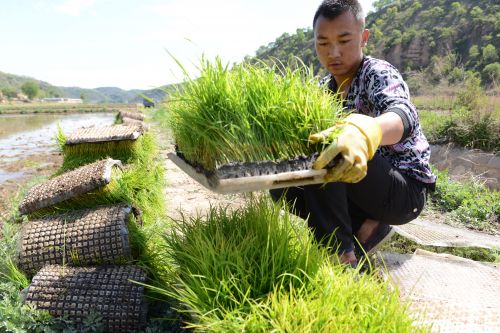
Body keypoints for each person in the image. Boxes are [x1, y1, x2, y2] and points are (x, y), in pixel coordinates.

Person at [270, 0, 436, 267]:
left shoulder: (377, 73)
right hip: (361, 186)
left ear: (364, 38)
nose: (333, 52)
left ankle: (341, 255)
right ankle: (364, 227)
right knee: (284, 186)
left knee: (329, 148)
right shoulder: (322, 88)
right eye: (323, 43)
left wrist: (365, 131)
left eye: (344, 40)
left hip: (403, 190)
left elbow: (403, 114)